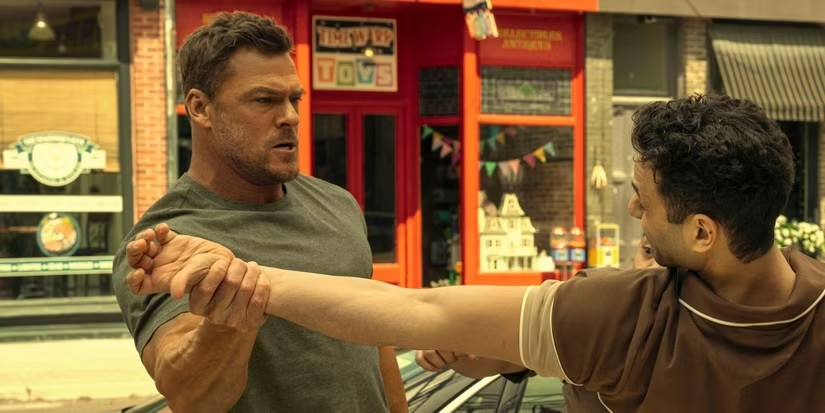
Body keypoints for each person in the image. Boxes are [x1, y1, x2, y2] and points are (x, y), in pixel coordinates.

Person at [126, 94, 825, 413]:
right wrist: (514, 351)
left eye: (642, 200)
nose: (633, 212)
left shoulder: (625, 316)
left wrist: (235, 272)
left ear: (702, 232)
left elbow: (412, 310)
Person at [111, 12, 407, 413]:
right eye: (265, 100)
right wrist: (228, 319)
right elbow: (190, 397)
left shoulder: (338, 204)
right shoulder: (168, 241)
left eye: (294, 99)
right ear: (200, 108)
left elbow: (376, 340)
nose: (290, 117)